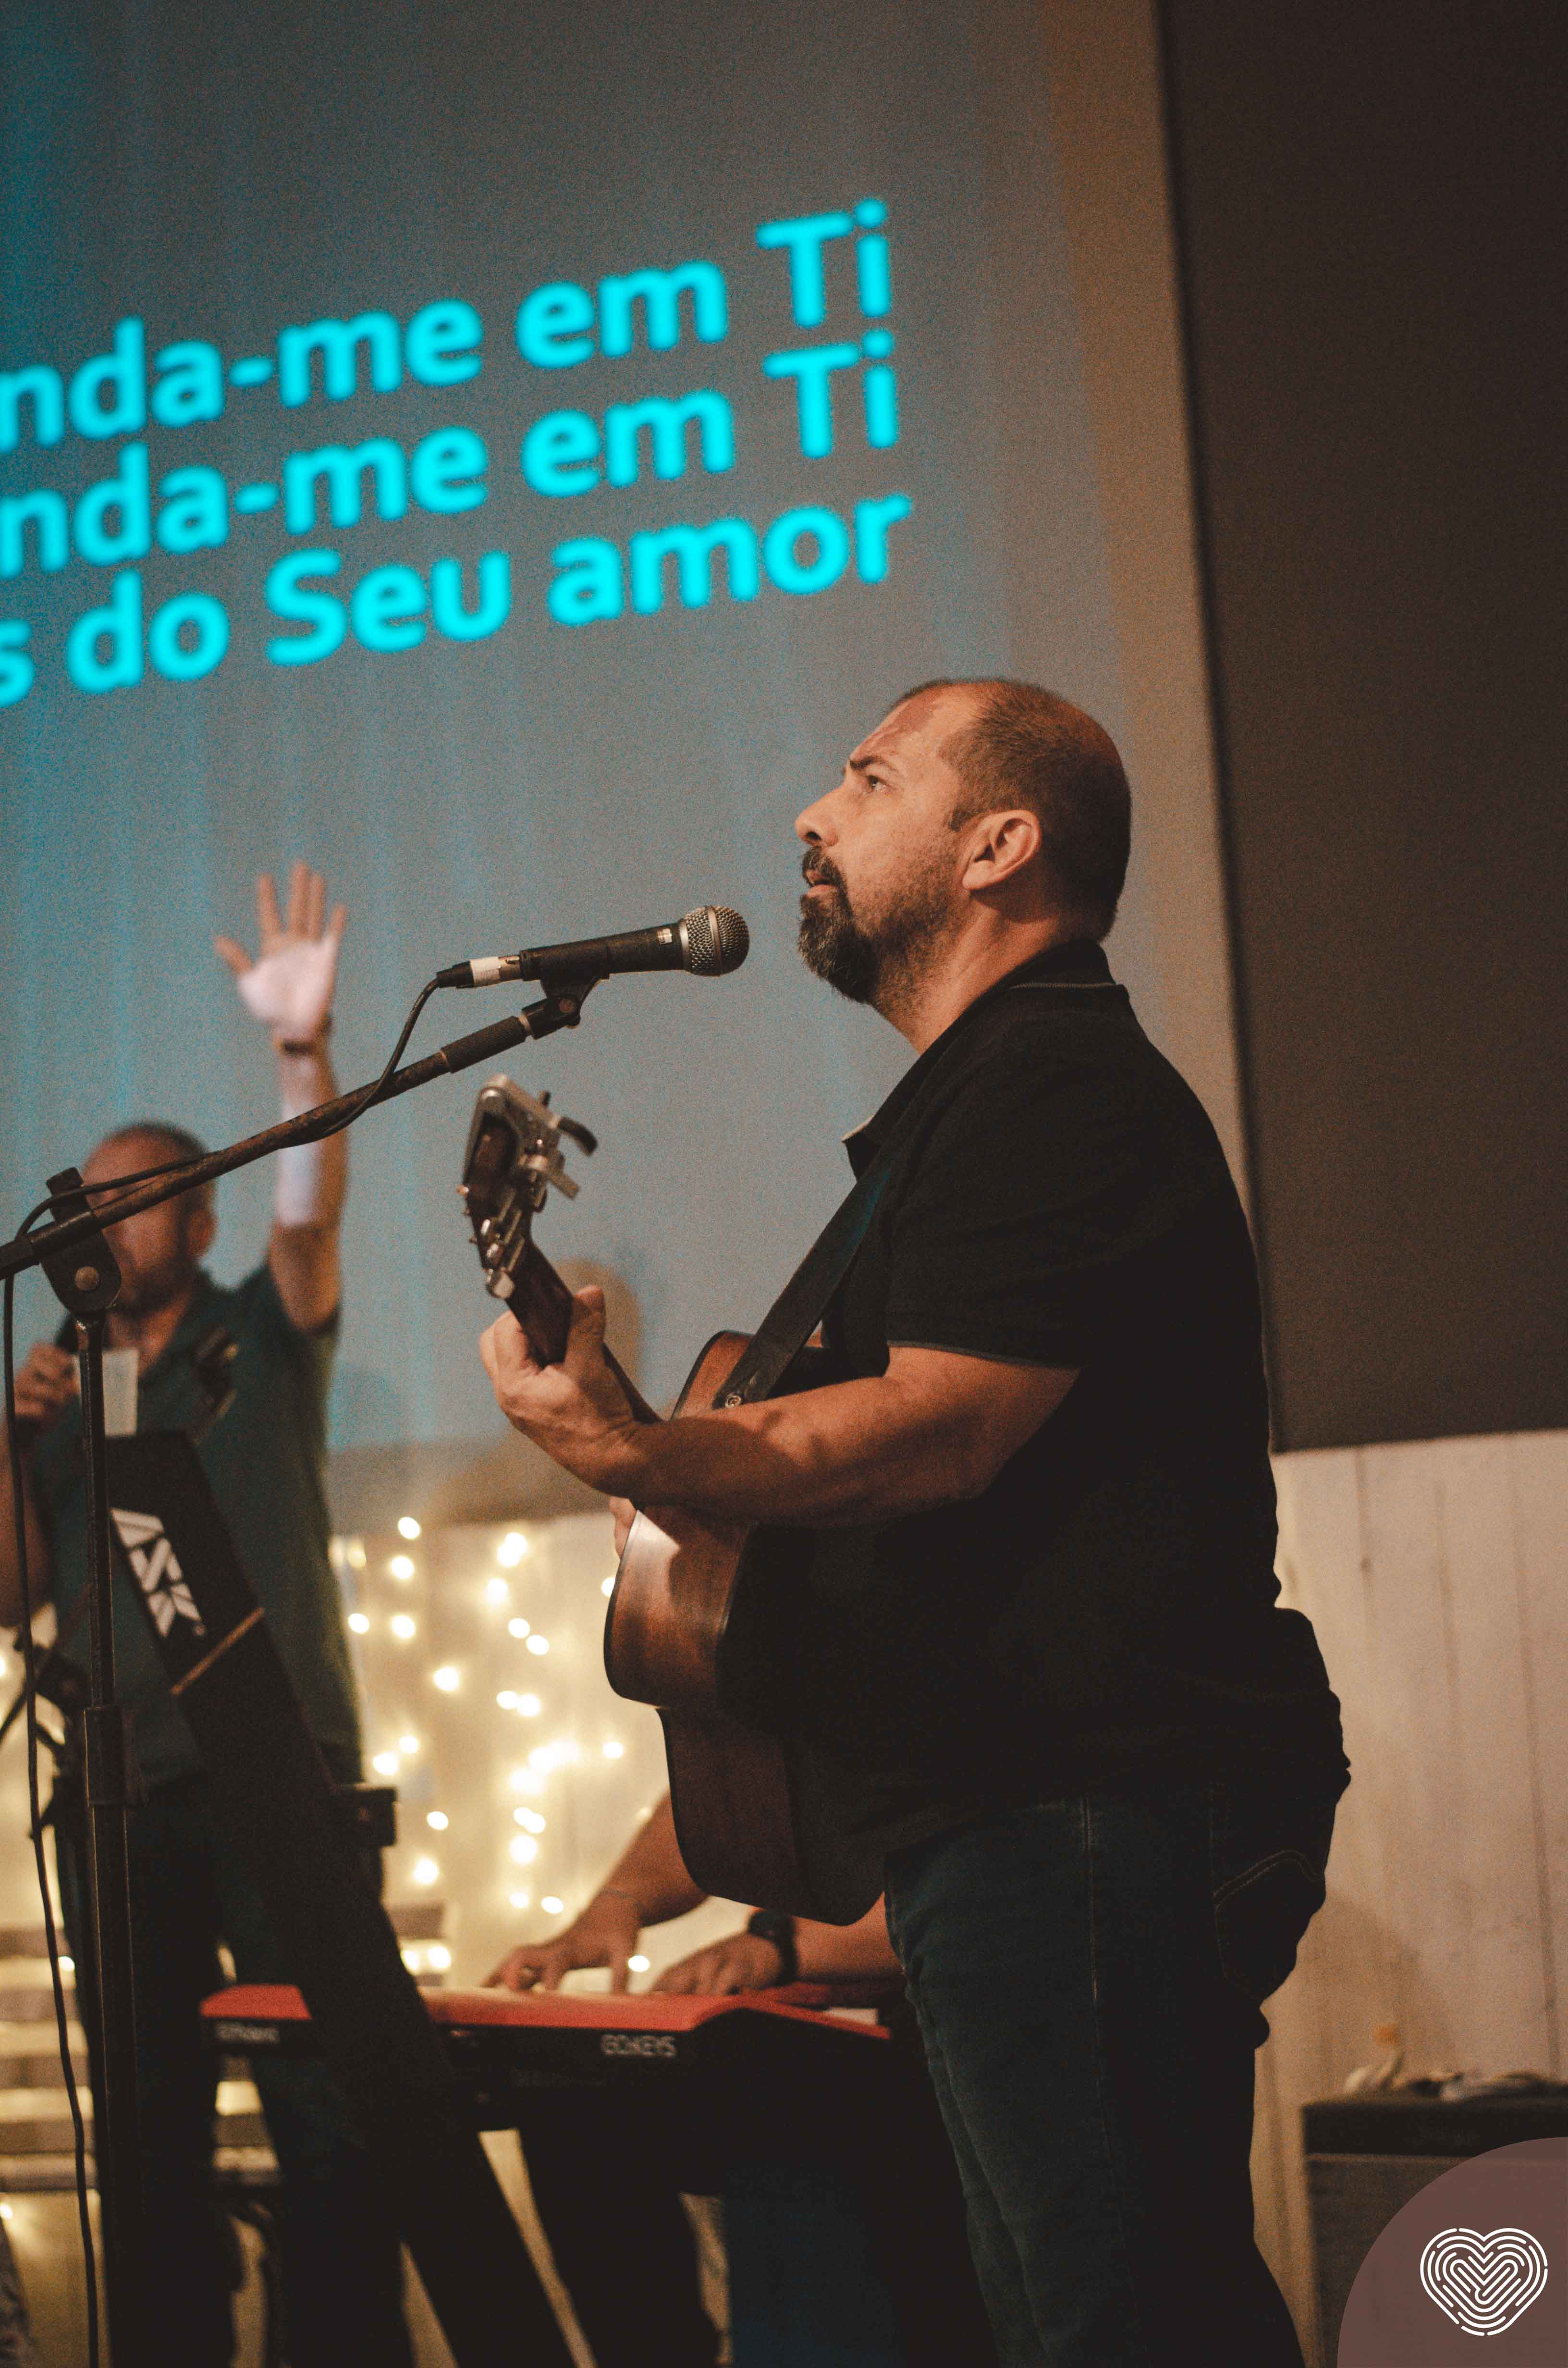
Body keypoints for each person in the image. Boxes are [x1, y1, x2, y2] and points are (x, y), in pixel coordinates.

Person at [478, 681, 1350, 2368]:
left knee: (1114, 2316)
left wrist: (641, 1451)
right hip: (1023, 1812)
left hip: (1083, 1802)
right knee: (1100, 2307)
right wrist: (684, 1484)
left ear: (996, 845)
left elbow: (943, 1425)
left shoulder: (1051, 1084)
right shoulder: (986, 1097)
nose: (812, 810)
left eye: (870, 778)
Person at [0, 865, 411, 2368]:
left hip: (274, 1773)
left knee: (330, 2103)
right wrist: (8, 1439)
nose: (101, 1224)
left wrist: (302, 1051)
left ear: (196, 1213)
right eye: (86, 1203)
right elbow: (14, 1595)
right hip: (119, 1800)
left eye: (132, 1201)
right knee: (147, 2130)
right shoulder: (70, 1389)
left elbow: (313, 1212)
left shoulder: (260, 1326)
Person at [491, 1794, 997, 2368]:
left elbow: (979, 1885)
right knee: (574, 2099)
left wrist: (782, 1945)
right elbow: (717, 1794)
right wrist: (615, 1904)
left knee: (931, 2149)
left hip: (963, 2035)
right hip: (862, 2042)